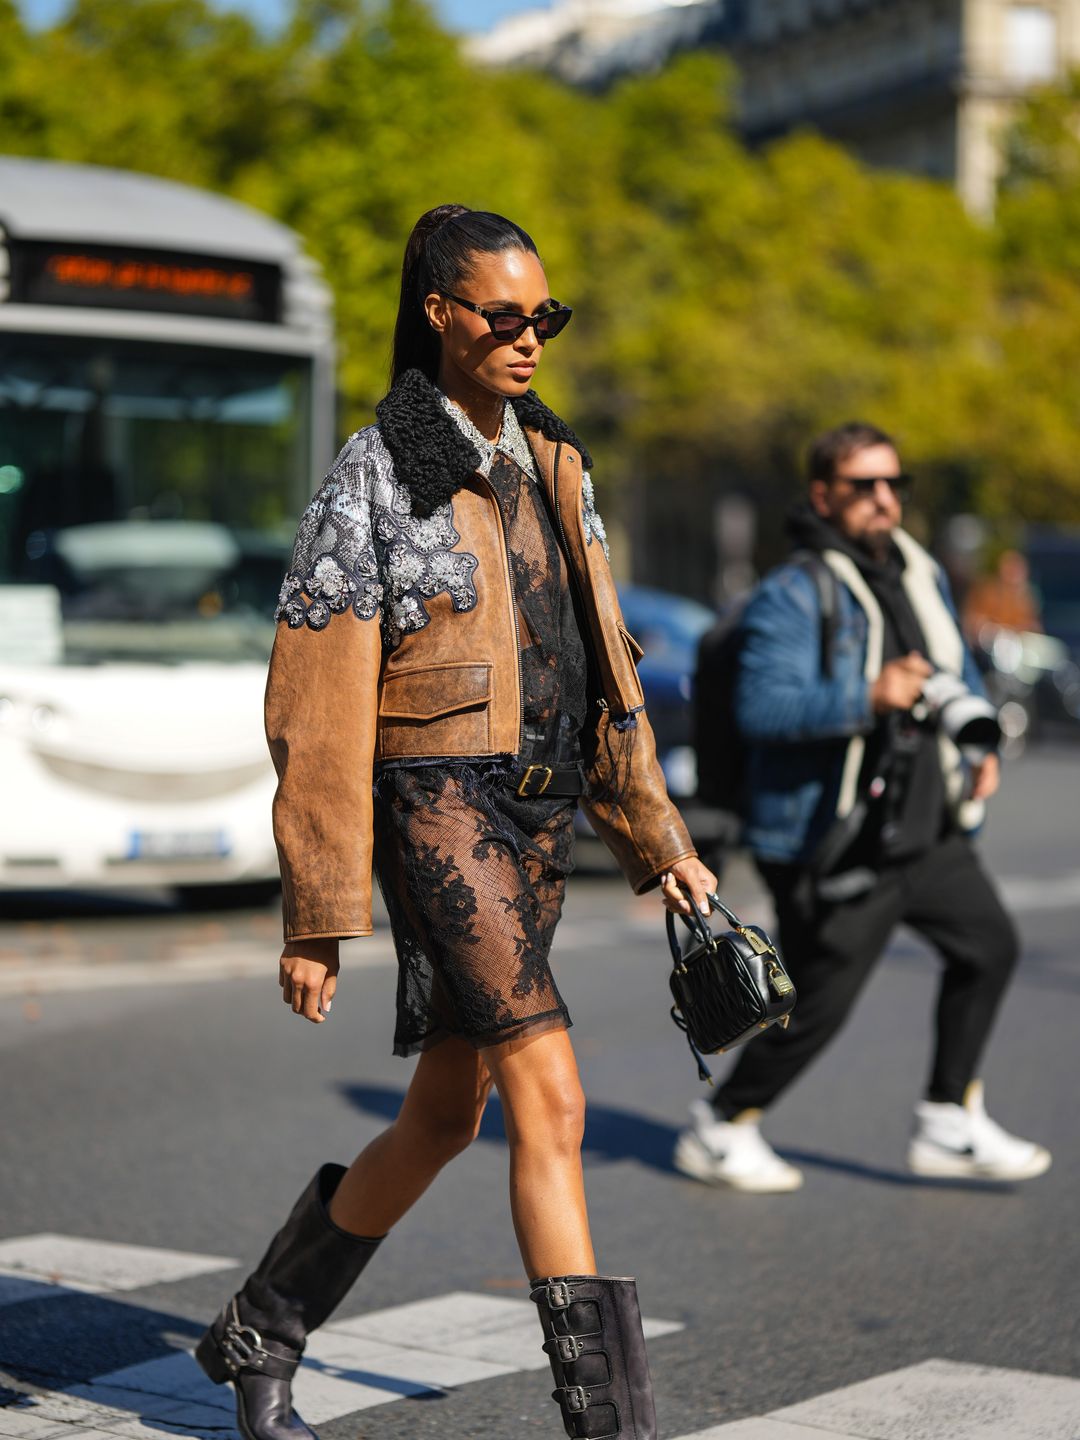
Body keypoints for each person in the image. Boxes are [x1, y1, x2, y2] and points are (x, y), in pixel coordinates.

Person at [196, 204, 716, 1440]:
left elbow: (606, 670)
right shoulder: (375, 474)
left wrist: (661, 839)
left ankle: (260, 1326)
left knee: (443, 1116)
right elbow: (317, 711)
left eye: (547, 315)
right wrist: (318, 910)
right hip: (437, 808)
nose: (530, 337)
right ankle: (610, 1427)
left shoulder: (558, 463)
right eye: (504, 314)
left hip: (539, 826)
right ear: (439, 314)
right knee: (556, 1103)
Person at [675, 422, 1051, 1195]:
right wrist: (869, 696)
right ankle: (722, 1125)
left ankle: (949, 1117)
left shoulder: (915, 571)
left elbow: (953, 670)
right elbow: (762, 710)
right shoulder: (794, 591)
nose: (885, 500)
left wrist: (975, 748)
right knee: (814, 1002)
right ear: (823, 496)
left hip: (923, 821)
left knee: (989, 947)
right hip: (834, 833)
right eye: (864, 486)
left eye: (895, 485)